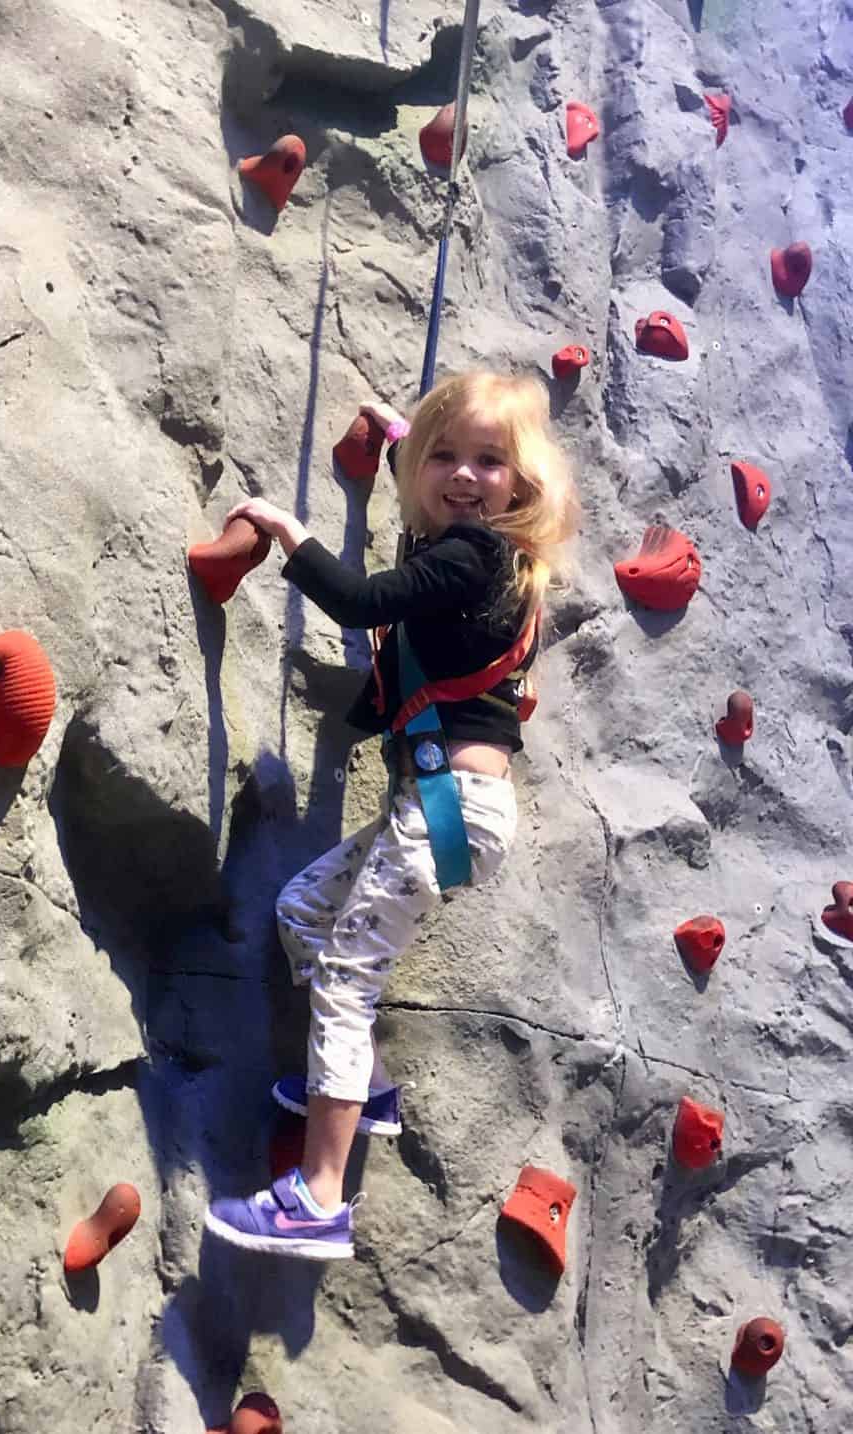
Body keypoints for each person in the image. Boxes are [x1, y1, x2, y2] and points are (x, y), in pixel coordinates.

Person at [204, 371, 580, 1259]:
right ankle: (362, 1087)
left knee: (344, 976)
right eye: (443, 458)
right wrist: (411, 440)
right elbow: (425, 553)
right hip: (445, 807)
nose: (462, 475)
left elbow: (367, 602)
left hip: (450, 806)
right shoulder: (482, 564)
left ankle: (319, 1198)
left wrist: (293, 537)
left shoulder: (476, 556)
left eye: (488, 462)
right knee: (304, 911)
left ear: (521, 484)